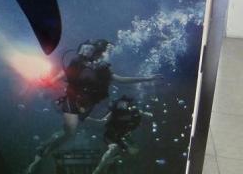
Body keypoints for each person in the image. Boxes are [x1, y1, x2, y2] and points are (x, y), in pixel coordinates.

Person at [26, 39, 160, 174]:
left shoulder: (103, 68)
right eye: (107, 50)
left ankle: (41, 154)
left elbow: (120, 79)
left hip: (86, 105)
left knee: (67, 133)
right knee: (69, 132)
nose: (108, 54)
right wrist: (51, 81)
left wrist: (146, 78)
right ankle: (39, 156)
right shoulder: (81, 62)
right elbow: (66, 73)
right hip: (74, 100)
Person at [90, 95, 153, 174]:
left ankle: (108, 163)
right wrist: (88, 119)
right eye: (120, 103)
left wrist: (147, 114)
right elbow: (102, 122)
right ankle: (98, 170)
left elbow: (142, 113)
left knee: (131, 150)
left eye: (124, 103)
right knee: (114, 148)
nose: (121, 105)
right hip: (111, 136)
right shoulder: (114, 112)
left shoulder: (132, 111)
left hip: (122, 135)